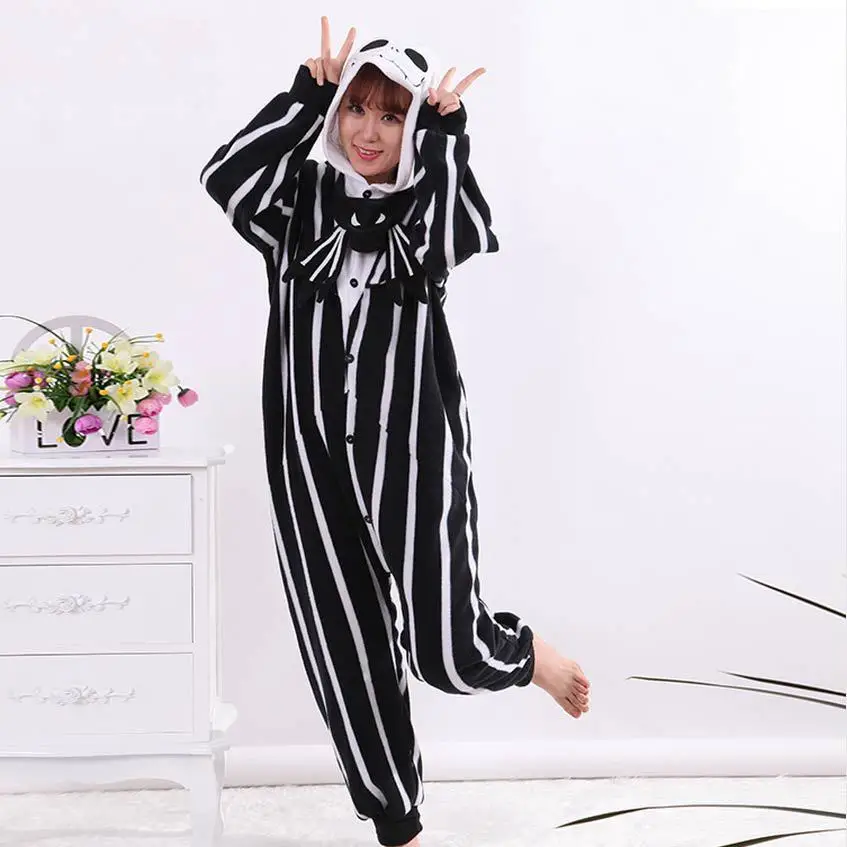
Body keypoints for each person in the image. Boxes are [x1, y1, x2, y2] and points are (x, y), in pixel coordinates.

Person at [201, 18, 590, 847]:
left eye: (392, 115)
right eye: (356, 109)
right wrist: (304, 97)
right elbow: (226, 177)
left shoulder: (427, 214)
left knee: (447, 653)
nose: (369, 132)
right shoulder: (296, 208)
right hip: (308, 460)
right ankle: (398, 824)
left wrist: (446, 137)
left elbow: (463, 229)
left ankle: (524, 655)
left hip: (414, 451)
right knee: (346, 649)